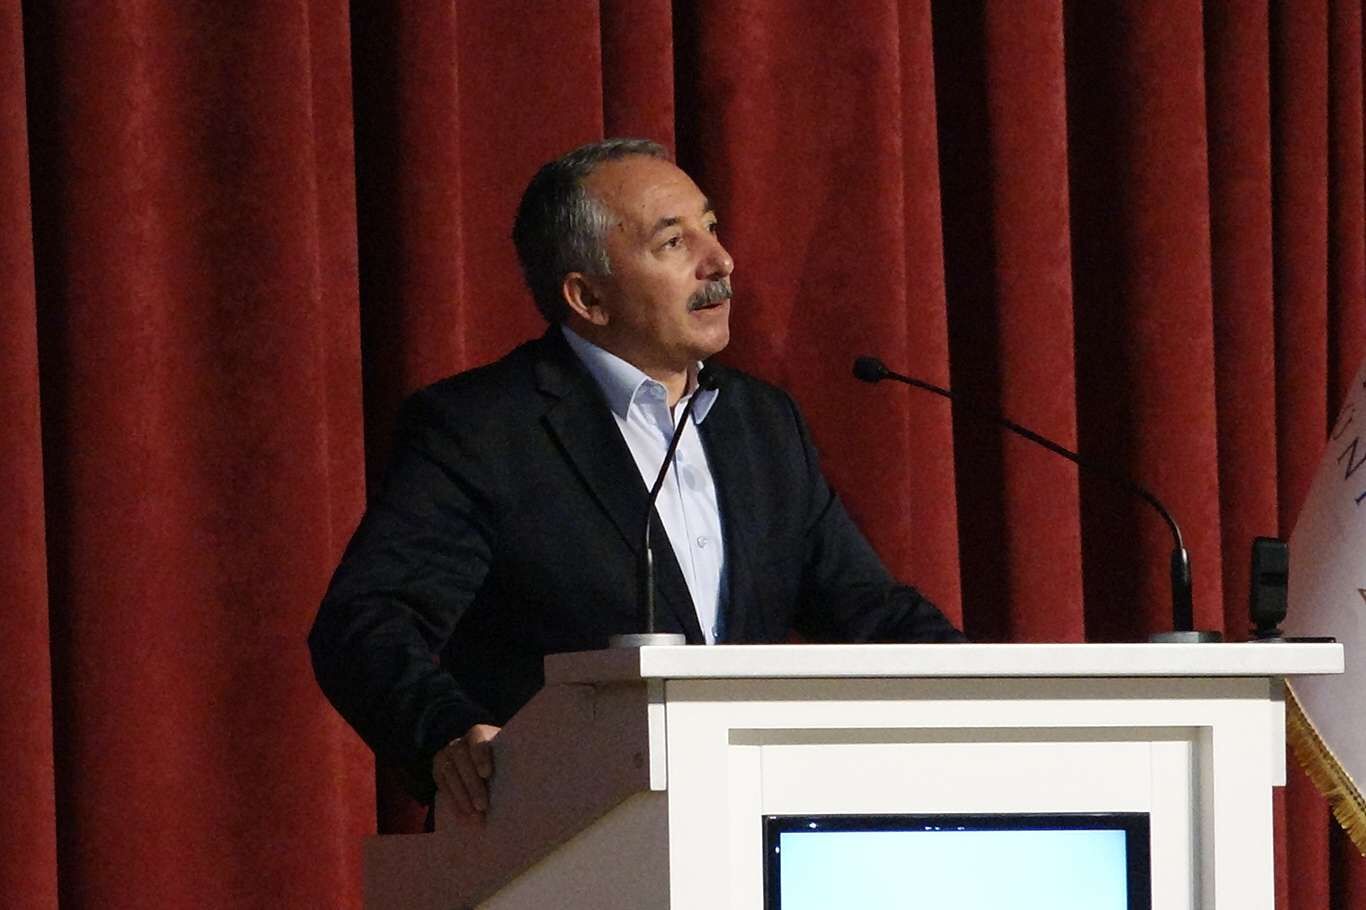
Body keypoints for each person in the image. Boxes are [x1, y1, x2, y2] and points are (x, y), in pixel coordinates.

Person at [308, 138, 964, 821]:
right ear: (588, 297)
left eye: (711, 226)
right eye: (674, 242)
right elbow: (366, 622)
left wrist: (1002, 693)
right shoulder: (485, 429)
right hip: (555, 830)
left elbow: (869, 612)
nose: (720, 261)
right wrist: (448, 735)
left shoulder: (762, 424)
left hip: (745, 827)